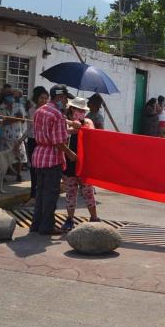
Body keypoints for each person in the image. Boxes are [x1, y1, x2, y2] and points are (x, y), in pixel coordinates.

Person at [31, 84, 76, 235]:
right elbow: (57, 142)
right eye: (64, 98)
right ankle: (47, 227)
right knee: (50, 194)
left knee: (40, 193)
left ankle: (36, 225)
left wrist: (69, 128)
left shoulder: (40, 110)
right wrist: (70, 153)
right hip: (51, 158)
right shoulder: (57, 114)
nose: (65, 102)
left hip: (39, 156)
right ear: (60, 97)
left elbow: (48, 132)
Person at [62, 97, 99, 231]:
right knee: (71, 193)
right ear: (72, 109)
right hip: (69, 163)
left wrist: (76, 126)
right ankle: (69, 219)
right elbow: (63, 133)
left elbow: (89, 131)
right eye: (79, 109)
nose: (81, 112)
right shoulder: (64, 122)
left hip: (84, 164)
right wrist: (70, 124)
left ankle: (94, 217)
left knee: (88, 192)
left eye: (83, 110)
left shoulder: (87, 122)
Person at [0, 91, 27, 182]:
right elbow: (2, 121)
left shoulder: (19, 106)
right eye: (9, 97)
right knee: (3, 157)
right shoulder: (0, 108)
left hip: (18, 135)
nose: (12, 99)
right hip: (5, 136)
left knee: (20, 156)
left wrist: (16, 119)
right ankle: (3, 176)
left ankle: (19, 174)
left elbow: (22, 120)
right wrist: (16, 119)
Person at [26, 86, 49, 200]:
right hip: (32, 141)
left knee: (43, 169)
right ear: (36, 98)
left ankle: (41, 195)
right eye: (41, 98)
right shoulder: (31, 110)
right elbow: (29, 129)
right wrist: (20, 140)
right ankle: (33, 196)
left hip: (44, 143)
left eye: (46, 98)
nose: (44, 101)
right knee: (33, 169)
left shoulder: (50, 112)